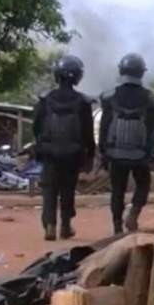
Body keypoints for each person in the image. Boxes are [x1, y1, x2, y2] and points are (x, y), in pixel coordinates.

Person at [32, 55, 95, 241]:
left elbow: (36, 126)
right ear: (77, 76)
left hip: (49, 152)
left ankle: (50, 225)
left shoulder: (45, 100)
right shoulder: (83, 103)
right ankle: (66, 226)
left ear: (56, 75)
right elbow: (88, 133)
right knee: (68, 189)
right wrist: (89, 155)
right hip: (73, 153)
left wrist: (40, 145)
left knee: (49, 189)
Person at [99, 53, 154, 235]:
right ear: (141, 73)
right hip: (140, 154)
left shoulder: (110, 97)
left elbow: (104, 127)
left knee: (117, 190)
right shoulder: (150, 98)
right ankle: (134, 213)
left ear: (121, 70)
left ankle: (117, 226)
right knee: (143, 184)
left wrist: (103, 152)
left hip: (115, 152)